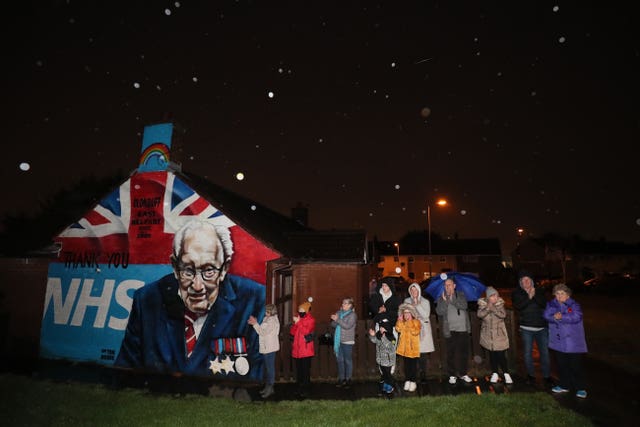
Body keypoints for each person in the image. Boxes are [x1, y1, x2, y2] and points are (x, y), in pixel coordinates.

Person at [115, 219, 265, 381]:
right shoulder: (147, 301)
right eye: (188, 270)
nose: (197, 285)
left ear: (224, 269)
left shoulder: (254, 300)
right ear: (175, 267)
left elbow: (259, 378)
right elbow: (123, 377)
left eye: (208, 271)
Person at [544, 284, 588, 398]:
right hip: (558, 342)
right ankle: (564, 385)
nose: (559, 296)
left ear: (568, 295)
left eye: (562, 293)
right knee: (561, 365)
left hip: (573, 342)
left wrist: (562, 317)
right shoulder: (551, 305)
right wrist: (554, 317)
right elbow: (546, 315)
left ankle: (580, 387)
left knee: (575, 366)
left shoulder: (574, 305)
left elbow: (577, 316)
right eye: (557, 293)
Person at [512, 271, 551, 385]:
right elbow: (518, 306)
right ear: (520, 283)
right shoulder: (517, 293)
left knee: (545, 353)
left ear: (532, 281)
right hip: (526, 328)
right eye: (523, 280)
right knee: (527, 353)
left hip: (542, 328)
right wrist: (529, 297)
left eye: (528, 279)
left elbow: (544, 304)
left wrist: (534, 295)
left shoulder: (539, 291)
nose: (526, 282)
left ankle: (547, 376)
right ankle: (531, 376)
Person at [435, 277, 472, 385]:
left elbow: (464, 305)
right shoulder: (441, 298)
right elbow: (439, 312)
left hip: (463, 329)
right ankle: (452, 375)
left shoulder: (460, 294)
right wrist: (446, 302)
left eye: (449, 284)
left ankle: (463, 373)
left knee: (463, 353)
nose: (447, 287)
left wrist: (452, 300)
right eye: (446, 285)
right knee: (450, 354)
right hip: (450, 330)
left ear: (454, 286)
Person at [477, 286, 513, 384]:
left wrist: (493, 309)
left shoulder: (500, 304)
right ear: (488, 297)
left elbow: (503, 315)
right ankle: (495, 373)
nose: (496, 298)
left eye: (496, 295)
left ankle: (506, 373)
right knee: (492, 355)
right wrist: (488, 308)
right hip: (488, 335)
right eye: (493, 296)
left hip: (499, 335)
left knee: (501, 355)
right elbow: (479, 315)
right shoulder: (482, 305)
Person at [404, 282, 435, 382]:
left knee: (422, 354)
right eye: (412, 290)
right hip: (411, 329)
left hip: (423, 330)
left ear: (419, 291)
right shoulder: (407, 301)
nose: (414, 292)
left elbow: (426, 315)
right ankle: (413, 374)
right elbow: (405, 315)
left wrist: (417, 305)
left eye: (415, 290)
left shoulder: (425, 302)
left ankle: (423, 374)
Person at [248, 304, 280, 398]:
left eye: (267, 311)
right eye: (266, 311)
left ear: (272, 312)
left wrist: (255, 324)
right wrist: (256, 323)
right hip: (267, 347)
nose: (265, 312)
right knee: (267, 368)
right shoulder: (267, 319)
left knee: (270, 369)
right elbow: (262, 331)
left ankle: (270, 387)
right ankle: (268, 387)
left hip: (270, 348)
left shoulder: (272, 321)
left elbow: (263, 332)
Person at [290, 298, 315, 398]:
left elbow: (306, 331)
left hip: (306, 350)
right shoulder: (298, 319)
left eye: (301, 311)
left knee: (305, 371)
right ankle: (299, 388)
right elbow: (292, 332)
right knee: (299, 371)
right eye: (299, 311)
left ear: (307, 311)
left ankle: (306, 389)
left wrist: (299, 322)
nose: (299, 312)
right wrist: (296, 324)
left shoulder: (311, 320)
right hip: (297, 349)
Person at [330, 297, 357, 388]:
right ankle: (341, 379)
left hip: (347, 341)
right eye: (343, 303)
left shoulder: (352, 315)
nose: (343, 305)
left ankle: (348, 379)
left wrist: (337, 320)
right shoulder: (339, 313)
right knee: (340, 361)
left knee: (347, 361)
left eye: (345, 303)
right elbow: (332, 324)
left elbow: (347, 326)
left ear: (350, 305)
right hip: (338, 341)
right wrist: (335, 320)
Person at [368, 317, 397, 398]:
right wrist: (372, 336)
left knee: (388, 375)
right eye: (380, 327)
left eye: (383, 327)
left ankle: (391, 387)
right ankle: (385, 387)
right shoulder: (379, 335)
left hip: (388, 361)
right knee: (384, 375)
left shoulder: (391, 337)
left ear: (387, 328)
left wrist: (384, 338)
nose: (381, 329)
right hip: (381, 360)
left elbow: (390, 347)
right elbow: (375, 341)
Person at [395, 303, 421, 392]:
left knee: (413, 366)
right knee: (406, 366)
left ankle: (413, 381)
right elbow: (398, 329)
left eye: (408, 313)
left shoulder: (416, 322)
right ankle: (407, 380)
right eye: (405, 313)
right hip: (405, 349)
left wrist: (409, 322)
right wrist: (399, 321)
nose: (406, 315)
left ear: (412, 314)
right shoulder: (403, 322)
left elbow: (415, 332)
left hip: (413, 349)